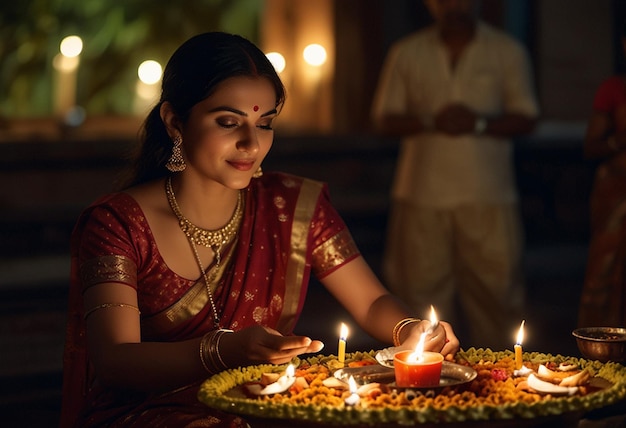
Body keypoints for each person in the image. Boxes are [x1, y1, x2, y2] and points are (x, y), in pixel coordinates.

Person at [60, 32, 459, 427]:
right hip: (152, 413)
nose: (251, 143)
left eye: (265, 123)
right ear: (174, 121)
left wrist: (410, 331)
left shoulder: (291, 205)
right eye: (229, 122)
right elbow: (115, 359)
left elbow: (371, 303)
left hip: (263, 401)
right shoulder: (119, 224)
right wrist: (223, 351)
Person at [371, 0, 539, 350]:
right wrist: (432, 120)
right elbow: (383, 118)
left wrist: (477, 122)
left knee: (498, 297)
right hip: (421, 193)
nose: (454, 5)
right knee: (418, 298)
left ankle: (502, 385)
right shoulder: (408, 51)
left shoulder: (507, 50)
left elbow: (527, 116)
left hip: (489, 194)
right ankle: (424, 380)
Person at [578, 23, 626, 328]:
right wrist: (619, 142)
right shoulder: (614, 89)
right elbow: (591, 147)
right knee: (607, 273)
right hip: (617, 195)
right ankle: (607, 349)